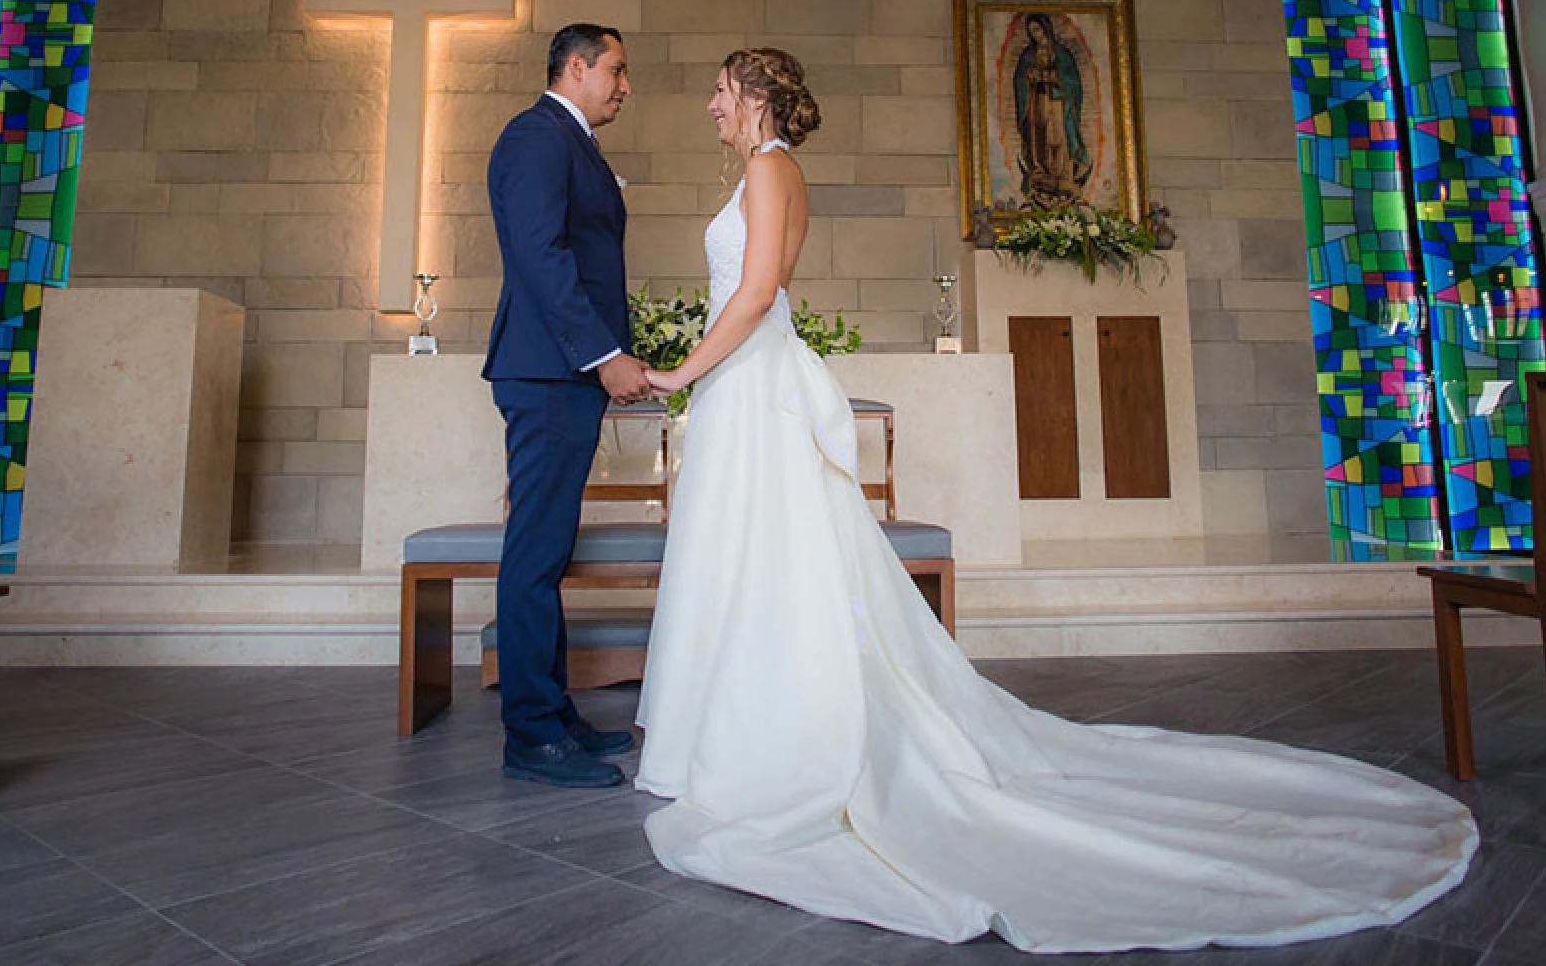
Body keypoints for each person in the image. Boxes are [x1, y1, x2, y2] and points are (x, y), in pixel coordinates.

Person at [633, 47, 1477, 953]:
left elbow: (758, 292)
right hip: (756, 386)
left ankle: (773, 744)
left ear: (756, 95)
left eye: (722, 90)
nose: (712, 104)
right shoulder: (779, 170)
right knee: (761, 563)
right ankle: (753, 726)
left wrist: (679, 371)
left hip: (753, 385)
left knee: (765, 562)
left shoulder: (767, 171)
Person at [483, 23, 649, 790]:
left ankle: (554, 713)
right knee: (535, 555)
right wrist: (605, 354)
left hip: (561, 372)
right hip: (549, 372)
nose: (623, 85)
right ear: (575, 67)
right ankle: (531, 733)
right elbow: (540, 255)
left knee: (547, 553)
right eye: (614, 70)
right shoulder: (537, 136)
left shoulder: (570, 140)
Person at [1012, 11, 1092, 205]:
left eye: (1037, 29)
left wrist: (1054, 78)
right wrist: (1029, 78)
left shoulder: (1062, 54)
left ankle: (1061, 174)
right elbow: (1019, 80)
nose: (1034, 35)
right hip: (1036, 101)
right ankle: (1039, 173)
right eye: (1031, 31)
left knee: (1057, 137)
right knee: (1038, 137)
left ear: (1046, 28)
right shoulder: (1028, 55)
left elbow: (1072, 81)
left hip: (1057, 102)